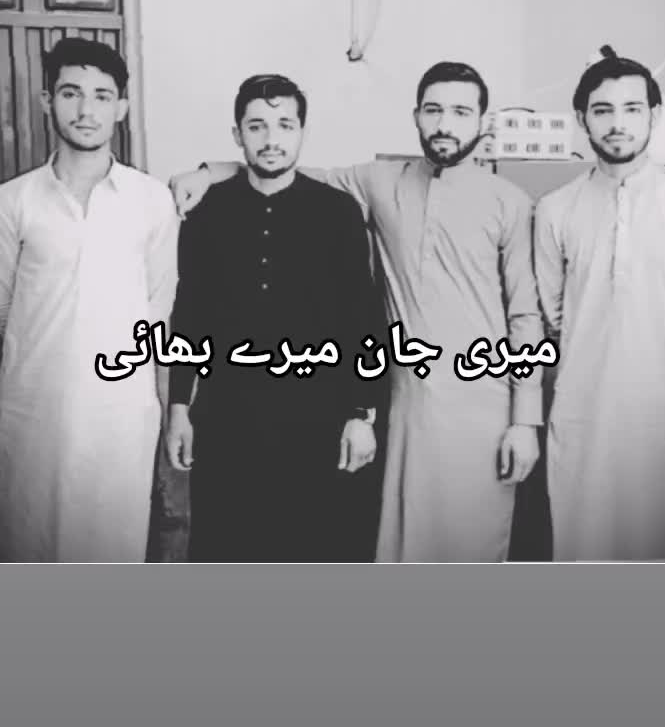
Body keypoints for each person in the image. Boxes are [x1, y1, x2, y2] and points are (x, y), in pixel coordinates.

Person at [170, 61, 544, 563]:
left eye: (461, 112)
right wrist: (207, 171)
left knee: (472, 539)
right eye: (433, 110)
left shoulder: (511, 202)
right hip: (403, 401)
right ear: (416, 115)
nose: (445, 124)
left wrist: (525, 421)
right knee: (392, 541)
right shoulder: (379, 181)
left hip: (483, 403)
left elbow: (525, 316)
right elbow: (284, 167)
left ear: (483, 121)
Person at [164, 73, 381, 562]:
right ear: (237, 134)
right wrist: (179, 406)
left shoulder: (338, 211)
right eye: (257, 125)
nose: (271, 139)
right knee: (225, 547)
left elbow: (362, 318)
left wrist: (361, 413)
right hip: (226, 417)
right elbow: (190, 312)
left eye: (285, 125)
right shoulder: (206, 210)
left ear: (302, 132)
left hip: (317, 417)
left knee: (311, 548)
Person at [533, 47, 665, 561]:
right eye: (603, 110)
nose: (618, 124)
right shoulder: (555, 210)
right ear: (582, 119)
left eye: (632, 108)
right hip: (586, 419)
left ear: (654, 116)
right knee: (588, 549)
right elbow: (553, 318)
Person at [0, 38, 178, 562]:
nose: (85, 109)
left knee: (111, 552)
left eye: (102, 96)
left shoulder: (151, 200)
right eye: (71, 93)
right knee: (27, 547)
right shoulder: (13, 201)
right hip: (31, 416)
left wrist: (172, 415)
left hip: (121, 417)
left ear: (121, 107)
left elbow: (160, 318)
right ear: (46, 101)